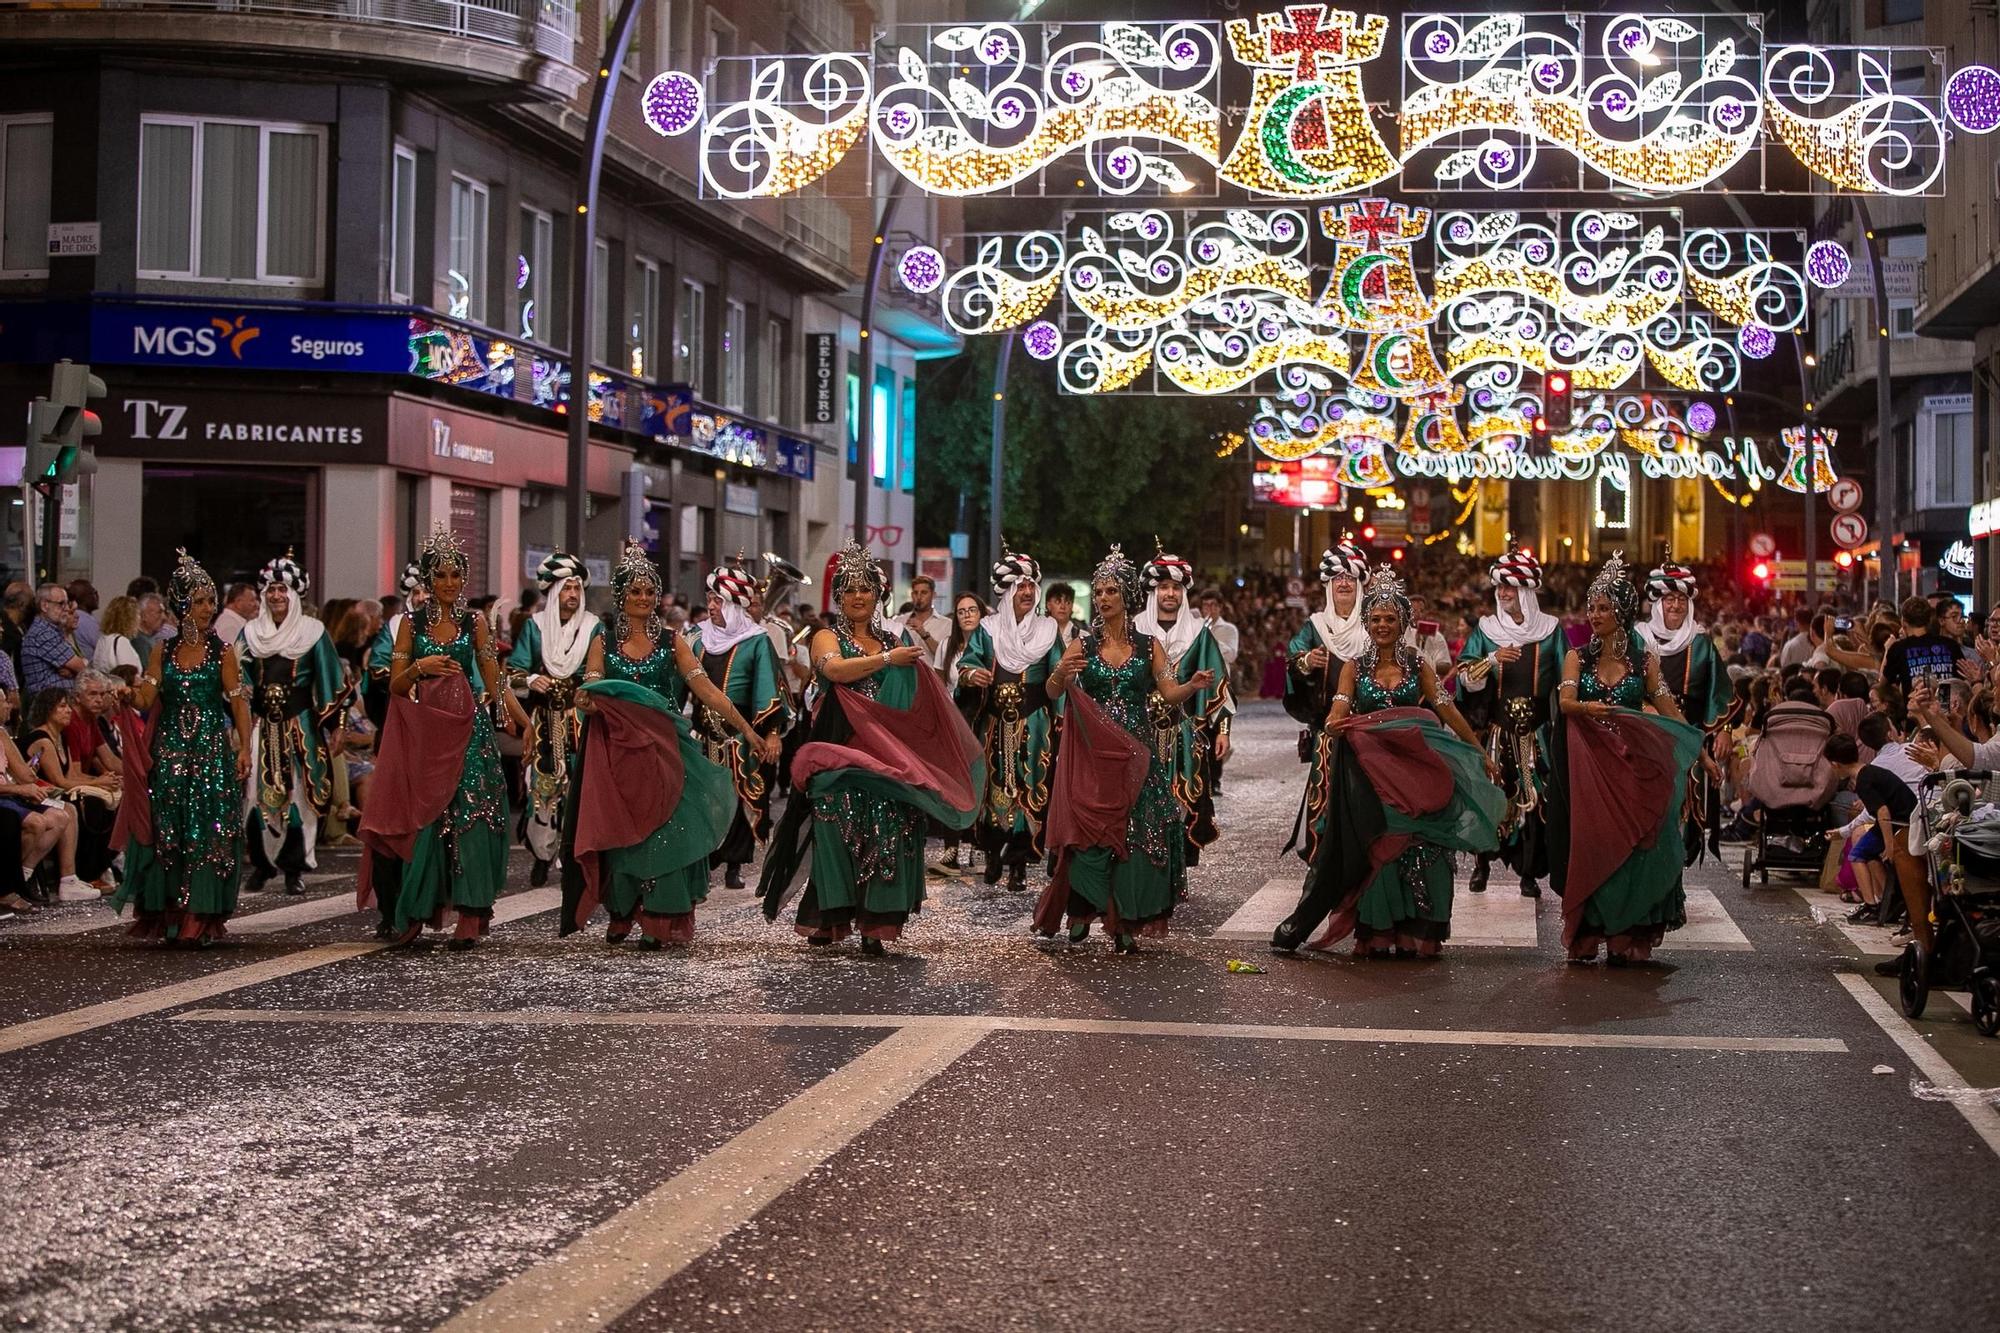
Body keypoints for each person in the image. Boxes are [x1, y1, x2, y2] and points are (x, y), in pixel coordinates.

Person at [758, 541, 983, 954]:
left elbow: (920, 698)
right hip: (838, 750)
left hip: (889, 756)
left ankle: (877, 924)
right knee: (837, 830)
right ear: (839, 597)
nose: (858, 596)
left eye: (865, 589)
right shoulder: (828, 636)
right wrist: (887, 661)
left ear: (878, 595)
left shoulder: (894, 641)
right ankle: (836, 913)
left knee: (891, 828)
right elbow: (834, 671)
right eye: (849, 589)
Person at [1271, 567, 1503, 957]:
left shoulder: (1418, 665)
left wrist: (1479, 753)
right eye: (1375, 619)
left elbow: (1446, 710)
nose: (1382, 625)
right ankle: (1378, 932)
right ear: (1367, 623)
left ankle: (1418, 932)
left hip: (1420, 772)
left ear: (1403, 623)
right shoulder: (1354, 667)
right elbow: (1340, 706)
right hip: (1372, 776)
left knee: (1423, 846)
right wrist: (1333, 722)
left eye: (1390, 619)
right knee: (1379, 847)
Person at [559, 540, 769, 949]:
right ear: (621, 595)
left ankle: (657, 917)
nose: (643, 598)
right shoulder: (603, 638)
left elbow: (705, 688)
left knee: (663, 831)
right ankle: (622, 911)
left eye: (649, 591)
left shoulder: (672, 640)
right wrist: (585, 697)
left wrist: (747, 728)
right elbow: (592, 680)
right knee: (621, 831)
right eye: (635, 591)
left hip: (662, 748)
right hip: (617, 751)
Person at [1032, 545, 1215, 953]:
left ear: (1127, 596)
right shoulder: (1082, 644)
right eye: (1098, 592)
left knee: (1135, 834)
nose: (1102, 598)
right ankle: (1081, 913)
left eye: (1111, 591)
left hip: (1135, 755)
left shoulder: (1151, 646)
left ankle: (1125, 923)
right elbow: (1051, 691)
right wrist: (1060, 671)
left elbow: (1169, 693)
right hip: (1092, 756)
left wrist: (1193, 686)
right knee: (1089, 833)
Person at [359, 523, 529, 950]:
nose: (450, 583)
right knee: (428, 820)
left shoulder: (475, 623)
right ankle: (418, 909)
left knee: (471, 815)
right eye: (441, 576)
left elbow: (495, 682)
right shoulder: (410, 625)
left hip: (468, 731)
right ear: (428, 580)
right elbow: (396, 684)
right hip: (426, 734)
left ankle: (470, 914)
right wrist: (421, 667)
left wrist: (525, 723)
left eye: (456, 575)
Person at [1546, 554, 1702, 965]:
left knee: (1640, 847)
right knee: (1597, 845)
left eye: (1603, 607)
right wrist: (1587, 709)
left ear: (1623, 612)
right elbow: (1565, 703)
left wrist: (1700, 750)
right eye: (1591, 607)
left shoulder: (1644, 661)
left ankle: (1630, 930)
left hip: (1636, 768)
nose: (1594, 614)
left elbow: (1669, 711)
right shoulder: (1577, 657)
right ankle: (1594, 928)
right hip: (1592, 770)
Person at [112, 551, 255, 945]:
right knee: (169, 828)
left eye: (211, 600)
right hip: (172, 751)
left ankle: (201, 914)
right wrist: (127, 695)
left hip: (210, 750)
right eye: (199, 601)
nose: (208, 608)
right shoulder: (163, 651)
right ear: (181, 606)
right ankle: (171, 910)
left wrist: (243, 747)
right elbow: (146, 699)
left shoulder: (222, 652)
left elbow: (238, 700)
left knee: (208, 829)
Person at [1455, 548, 1567, 897]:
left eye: (1511, 588)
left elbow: (1567, 679)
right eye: (1500, 588)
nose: (1504, 594)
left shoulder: (1550, 631)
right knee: (1489, 797)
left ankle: (1529, 873)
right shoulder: (1487, 631)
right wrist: (1491, 659)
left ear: (1528, 591)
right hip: (1496, 731)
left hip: (1536, 734)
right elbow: (1463, 676)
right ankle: (1481, 865)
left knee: (1535, 801)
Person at [237, 551, 345, 896]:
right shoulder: (251, 633)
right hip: (262, 727)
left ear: (295, 594)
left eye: (283, 591)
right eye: (271, 591)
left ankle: (294, 867)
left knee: (300, 797)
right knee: (257, 794)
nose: (277, 597)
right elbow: (238, 681)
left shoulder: (313, 633)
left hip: (300, 725)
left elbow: (332, 681)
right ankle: (263, 864)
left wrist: (337, 724)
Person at [955, 550, 1059, 893]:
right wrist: (972, 675)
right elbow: (967, 664)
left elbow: (1059, 678)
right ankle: (993, 855)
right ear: (1007, 591)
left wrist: (1063, 720)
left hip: (1035, 727)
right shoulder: (987, 630)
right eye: (1019, 586)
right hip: (994, 725)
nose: (1027, 592)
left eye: (1031, 585)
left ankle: (1019, 864)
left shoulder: (1048, 630)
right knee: (993, 790)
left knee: (1031, 790)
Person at [687, 555, 791, 890]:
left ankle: (733, 864)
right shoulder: (696, 637)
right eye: (710, 599)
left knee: (738, 800)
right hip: (701, 734)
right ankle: (701, 860)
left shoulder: (757, 640)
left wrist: (772, 733)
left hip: (741, 738)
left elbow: (769, 688)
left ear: (735, 604)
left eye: (719, 600)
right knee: (700, 800)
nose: (712, 606)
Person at [1135, 545, 1234, 864]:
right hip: (1140, 732)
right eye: (1164, 587)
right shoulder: (1134, 630)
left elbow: (1221, 687)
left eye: (1176, 587)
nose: (1170, 593)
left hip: (1185, 734)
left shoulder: (1199, 635)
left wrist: (1223, 731)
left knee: (1183, 801)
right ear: (1154, 591)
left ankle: (1177, 867)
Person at [506, 552, 598, 888]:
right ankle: (542, 858)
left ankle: (576, 857)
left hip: (581, 721)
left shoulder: (593, 627)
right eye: (566, 588)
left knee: (582, 790)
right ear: (553, 591)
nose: (572, 594)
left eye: (576, 588)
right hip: (544, 720)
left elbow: (600, 671)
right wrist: (531, 680)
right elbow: (513, 671)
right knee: (542, 790)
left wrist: (587, 689)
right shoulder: (534, 627)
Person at [1283, 542, 1371, 864]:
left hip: (1368, 731)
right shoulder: (1316, 626)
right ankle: (1323, 856)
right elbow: (1293, 659)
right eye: (1337, 578)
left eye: (1350, 577)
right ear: (1328, 585)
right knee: (1326, 795)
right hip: (1327, 733)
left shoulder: (1376, 624)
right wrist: (1307, 661)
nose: (1344, 583)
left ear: (1361, 583)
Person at [1881, 595, 1970, 695]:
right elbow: (1965, 681)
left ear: (1903, 621)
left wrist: (1888, 649)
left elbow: (1882, 684)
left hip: (1917, 706)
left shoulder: (1898, 649)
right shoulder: (1951, 645)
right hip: (1946, 706)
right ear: (1929, 620)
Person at [21, 583, 87, 696]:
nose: (66, 609)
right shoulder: (43, 633)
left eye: (67, 604)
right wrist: (75, 670)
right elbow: (81, 667)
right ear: (44, 606)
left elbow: (81, 665)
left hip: (59, 701)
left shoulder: (54, 631)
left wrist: (73, 670)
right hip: (50, 706)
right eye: (61, 604)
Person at [886, 573, 952, 666]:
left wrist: (924, 634)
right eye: (915, 593)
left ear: (933, 595)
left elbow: (945, 657)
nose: (919, 597)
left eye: (924, 592)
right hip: (905, 676)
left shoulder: (946, 624)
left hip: (932, 678)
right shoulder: (899, 621)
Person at [92, 595, 144, 685]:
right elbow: (129, 675)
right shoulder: (121, 642)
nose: (140, 619)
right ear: (129, 618)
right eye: (138, 614)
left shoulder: (103, 639)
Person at [213, 581, 258, 647]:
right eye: (252, 600)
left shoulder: (233, 622)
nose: (256, 604)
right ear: (238, 602)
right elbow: (233, 656)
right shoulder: (229, 625)